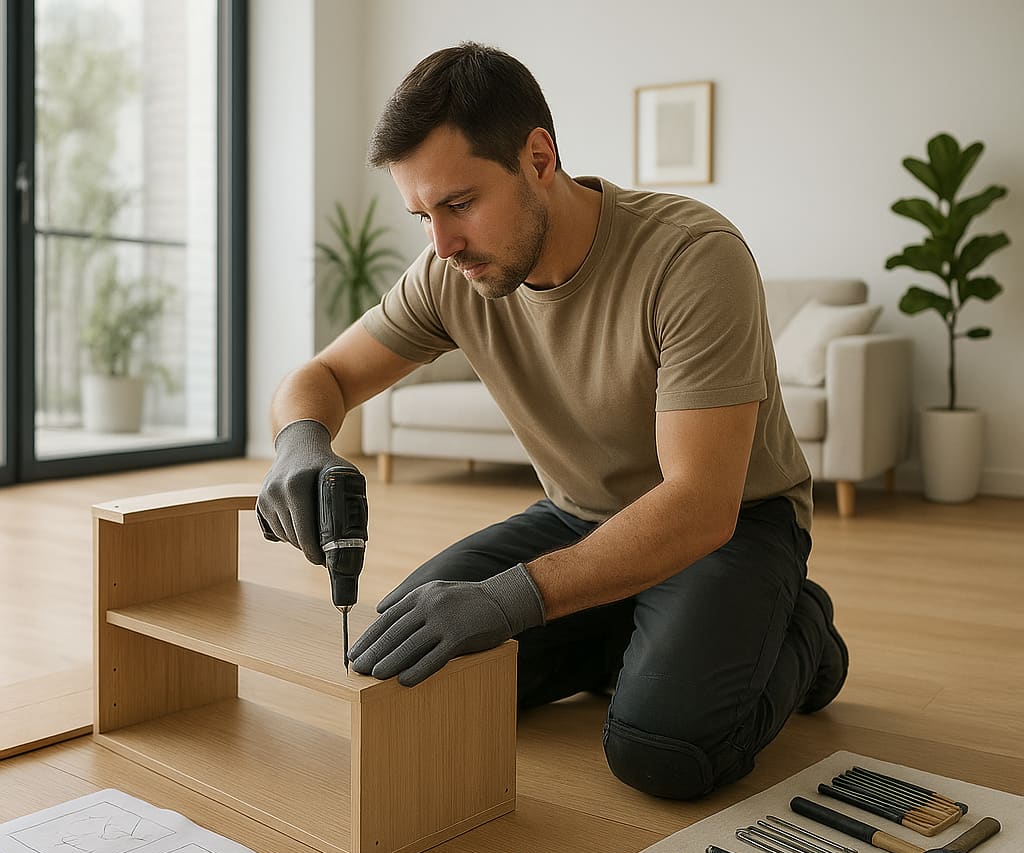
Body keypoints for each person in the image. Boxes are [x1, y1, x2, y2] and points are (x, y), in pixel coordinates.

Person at [257, 42, 848, 800]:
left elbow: (700, 502)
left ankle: (803, 634)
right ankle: (632, 628)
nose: (442, 245)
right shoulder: (448, 274)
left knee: (663, 751)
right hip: (576, 518)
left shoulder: (692, 256)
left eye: (461, 203)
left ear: (539, 157)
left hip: (730, 525)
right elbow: (324, 377)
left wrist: (510, 601)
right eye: (422, 215)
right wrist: (299, 442)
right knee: (404, 665)